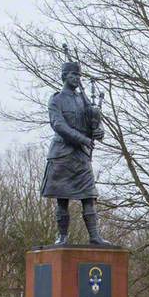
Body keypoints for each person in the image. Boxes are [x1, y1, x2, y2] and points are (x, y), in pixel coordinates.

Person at [40, 60, 110, 245]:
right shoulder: (56, 100)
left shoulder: (83, 101)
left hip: (81, 156)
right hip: (62, 154)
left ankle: (95, 236)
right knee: (62, 199)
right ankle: (62, 236)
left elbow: (93, 121)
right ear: (64, 76)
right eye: (73, 75)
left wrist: (99, 131)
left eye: (79, 75)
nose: (76, 78)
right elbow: (58, 125)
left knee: (89, 196)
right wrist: (83, 139)